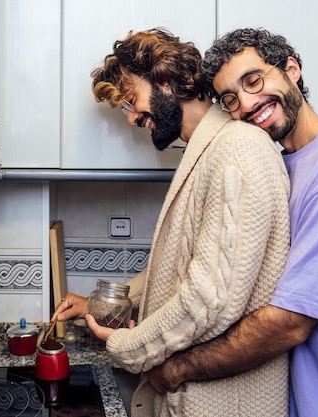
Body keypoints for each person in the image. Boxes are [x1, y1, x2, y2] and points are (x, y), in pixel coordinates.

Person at [144, 28, 318, 417]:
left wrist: (177, 368)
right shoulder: (282, 165)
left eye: (254, 80)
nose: (247, 103)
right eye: (231, 98)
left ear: (291, 69)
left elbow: (289, 324)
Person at [53, 28, 291, 417]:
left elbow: (208, 300)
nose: (131, 118)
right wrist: (109, 303)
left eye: (131, 101)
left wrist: (127, 346)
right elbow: (178, 265)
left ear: (165, 79)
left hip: (220, 405)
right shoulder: (207, 150)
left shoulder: (237, 150)